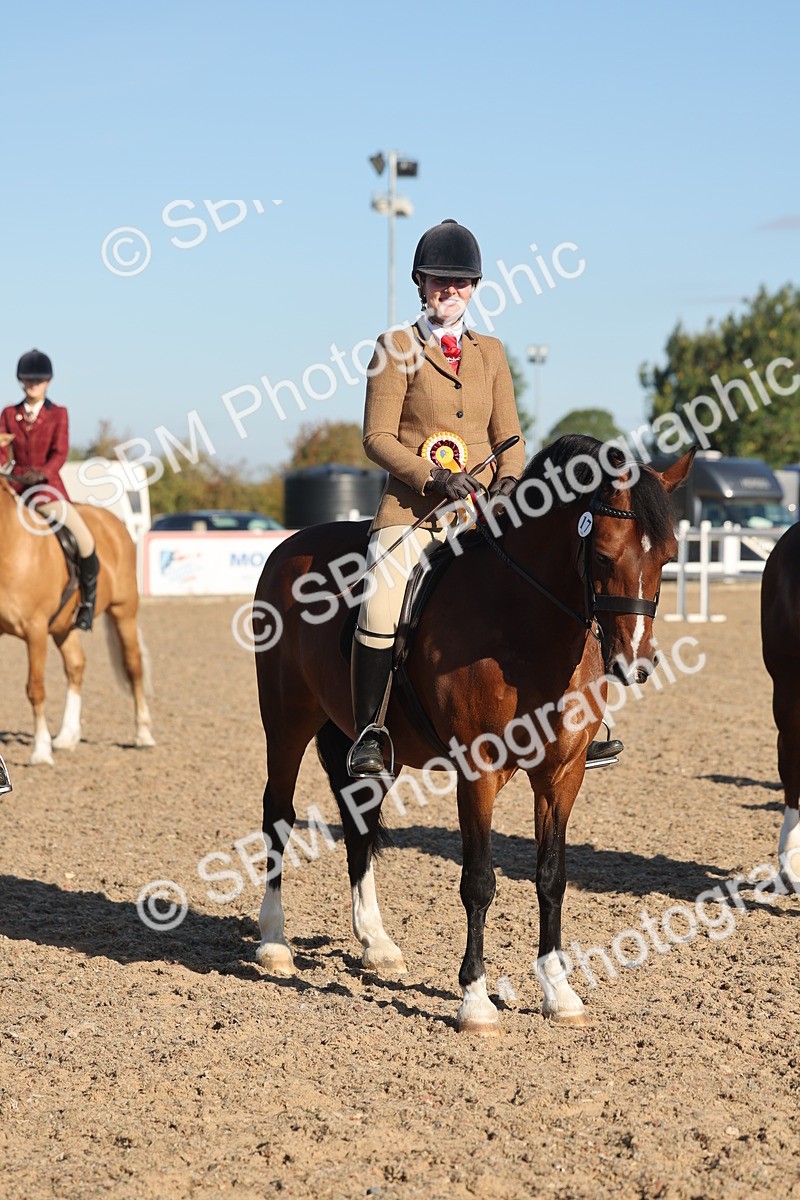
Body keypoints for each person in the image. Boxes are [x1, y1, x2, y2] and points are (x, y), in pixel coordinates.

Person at [349, 219, 623, 778]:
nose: (450, 292)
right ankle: (370, 733)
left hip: (483, 515)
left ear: (473, 287)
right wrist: (433, 477)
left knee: (557, 585)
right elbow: (375, 438)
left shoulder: (491, 352)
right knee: (379, 601)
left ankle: (586, 719)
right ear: (420, 283)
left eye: (461, 283)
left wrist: (506, 485)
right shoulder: (394, 348)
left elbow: (511, 439)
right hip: (413, 512)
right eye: (438, 282)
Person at [0, 350, 99, 630]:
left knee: (84, 538)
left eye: (39, 380)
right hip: (15, 492)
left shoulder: (59, 414)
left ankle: (87, 603)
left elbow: (60, 453)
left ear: (48, 382)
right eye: (28, 380)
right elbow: (1, 448)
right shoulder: (9, 414)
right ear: (21, 382)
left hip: (47, 491)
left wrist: (41, 473)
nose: (33, 384)